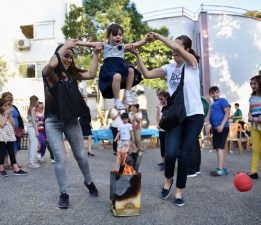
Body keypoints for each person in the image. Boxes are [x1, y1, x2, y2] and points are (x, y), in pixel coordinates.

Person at [130, 32, 204, 207]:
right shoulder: (169, 68)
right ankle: (168, 178)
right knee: (170, 153)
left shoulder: (192, 64)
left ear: (187, 49)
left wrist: (158, 36)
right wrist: (138, 54)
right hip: (176, 116)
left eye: (177, 46)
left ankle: (179, 191)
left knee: (184, 156)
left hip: (194, 116)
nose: (173, 49)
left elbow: (175, 47)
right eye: (173, 45)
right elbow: (147, 74)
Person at [42, 39, 102, 209]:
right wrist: (66, 46)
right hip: (53, 121)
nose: (69, 59)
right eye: (65, 56)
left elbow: (91, 74)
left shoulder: (72, 74)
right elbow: (51, 64)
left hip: (70, 121)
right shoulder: (49, 73)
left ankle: (88, 181)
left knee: (81, 156)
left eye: (70, 57)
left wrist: (96, 53)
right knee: (60, 158)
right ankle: (63, 193)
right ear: (58, 55)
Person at [77, 23, 151, 109]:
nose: (118, 37)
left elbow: (136, 44)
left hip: (120, 67)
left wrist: (146, 40)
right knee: (117, 76)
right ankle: (117, 100)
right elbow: (90, 44)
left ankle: (128, 93)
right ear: (108, 37)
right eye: (115, 35)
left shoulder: (123, 46)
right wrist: (79, 43)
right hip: (109, 69)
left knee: (131, 70)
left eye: (120, 35)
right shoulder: (105, 45)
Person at [0, 98, 28, 176]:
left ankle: (16, 169)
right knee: (2, 152)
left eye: (7, 105)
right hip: (2, 136)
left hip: (9, 135)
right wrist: (5, 116)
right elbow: (1, 125)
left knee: (11, 152)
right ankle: (1, 169)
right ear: (0, 107)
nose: (7, 107)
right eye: (5, 106)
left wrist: (9, 116)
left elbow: (13, 123)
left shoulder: (8, 113)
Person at [208, 86, 230, 176]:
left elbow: (227, 113)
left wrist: (221, 125)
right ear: (210, 95)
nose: (215, 94)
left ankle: (220, 169)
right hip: (216, 129)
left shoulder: (222, 100)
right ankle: (222, 167)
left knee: (220, 148)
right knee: (219, 148)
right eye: (212, 93)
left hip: (222, 128)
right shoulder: (213, 104)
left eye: (216, 92)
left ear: (219, 92)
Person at [187, 96, 209, 177]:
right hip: (199, 116)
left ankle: (191, 169)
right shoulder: (198, 97)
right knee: (194, 142)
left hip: (192, 116)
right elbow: (205, 104)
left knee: (191, 143)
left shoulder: (189, 92)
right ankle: (196, 168)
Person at [2, 92, 24, 168]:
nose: (10, 98)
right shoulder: (3, 107)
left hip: (16, 129)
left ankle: (13, 162)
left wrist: (22, 127)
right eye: (8, 97)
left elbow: (19, 117)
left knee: (15, 146)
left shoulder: (14, 107)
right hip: (7, 129)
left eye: (11, 97)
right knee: (6, 146)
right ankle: (5, 163)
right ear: (3, 98)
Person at [247, 75, 261, 179]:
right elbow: (250, 111)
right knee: (255, 148)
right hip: (255, 125)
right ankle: (254, 171)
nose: (252, 85)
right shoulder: (251, 98)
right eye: (251, 84)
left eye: (254, 83)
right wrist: (250, 116)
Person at [155, 91, 169, 171]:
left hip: (167, 129)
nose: (160, 101)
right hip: (161, 129)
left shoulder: (169, 105)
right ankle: (163, 162)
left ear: (166, 98)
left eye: (162, 99)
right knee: (162, 146)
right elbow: (157, 115)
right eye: (159, 99)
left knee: (167, 146)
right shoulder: (159, 105)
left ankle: (167, 163)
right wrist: (157, 124)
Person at [27, 95, 40, 168]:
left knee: (31, 145)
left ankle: (30, 161)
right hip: (32, 128)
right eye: (37, 100)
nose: (38, 102)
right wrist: (36, 130)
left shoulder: (30, 108)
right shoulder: (33, 109)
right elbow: (33, 120)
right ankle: (31, 163)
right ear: (35, 101)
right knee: (34, 145)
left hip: (30, 127)